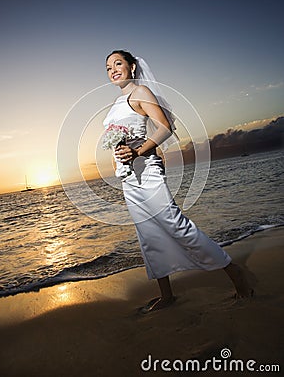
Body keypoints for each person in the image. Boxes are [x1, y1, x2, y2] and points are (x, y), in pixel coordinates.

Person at [103, 50, 253, 314]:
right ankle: (167, 295)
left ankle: (235, 272)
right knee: (147, 234)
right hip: (129, 178)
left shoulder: (141, 93)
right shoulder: (117, 101)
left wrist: (137, 151)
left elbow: (163, 127)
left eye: (118, 64)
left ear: (132, 67)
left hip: (146, 171)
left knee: (176, 225)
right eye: (108, 67)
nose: (113, 70)